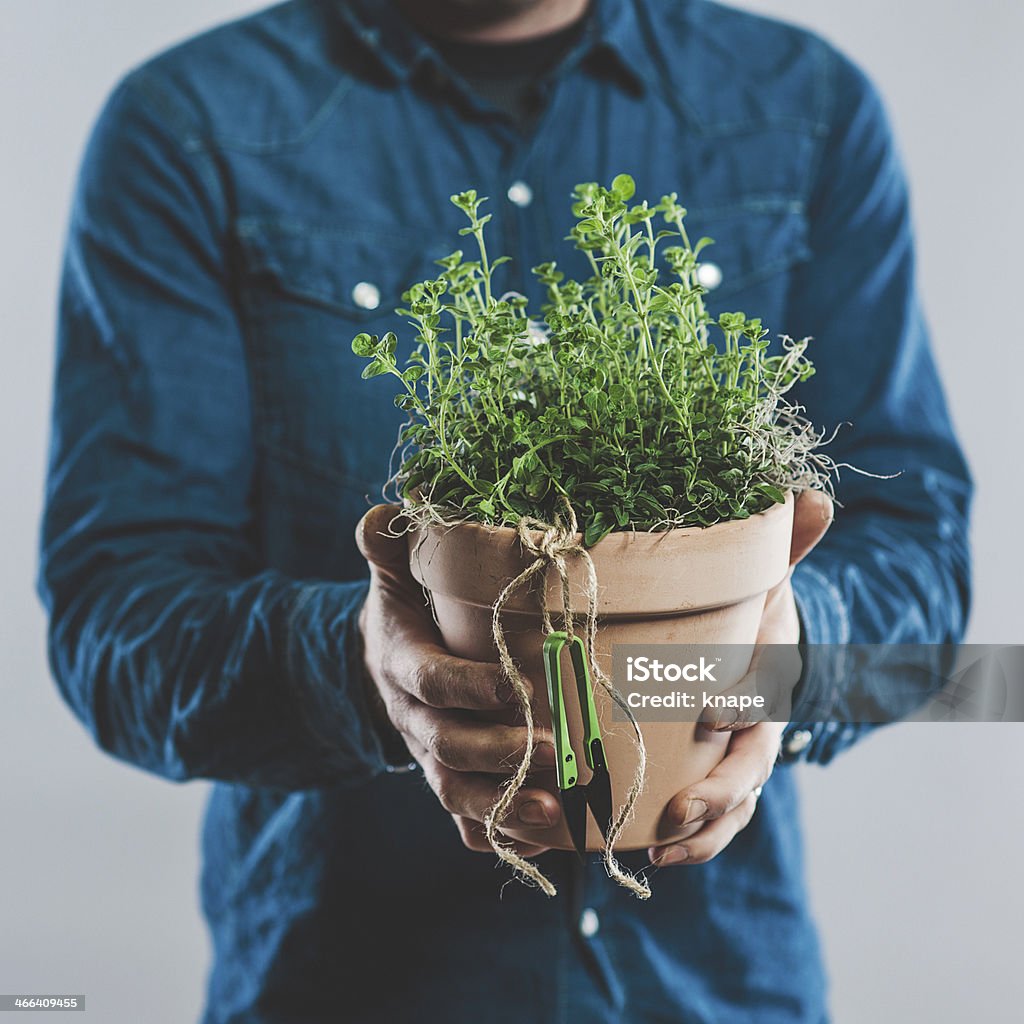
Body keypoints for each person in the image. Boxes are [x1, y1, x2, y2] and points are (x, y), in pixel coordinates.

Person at [39, 0, 971, 1020]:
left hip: (712, 988)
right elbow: (114, 623)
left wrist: (791, 658)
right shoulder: (188, 122)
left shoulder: (803, 105)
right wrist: (363, 668)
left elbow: (918, 564)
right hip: (345, 986)